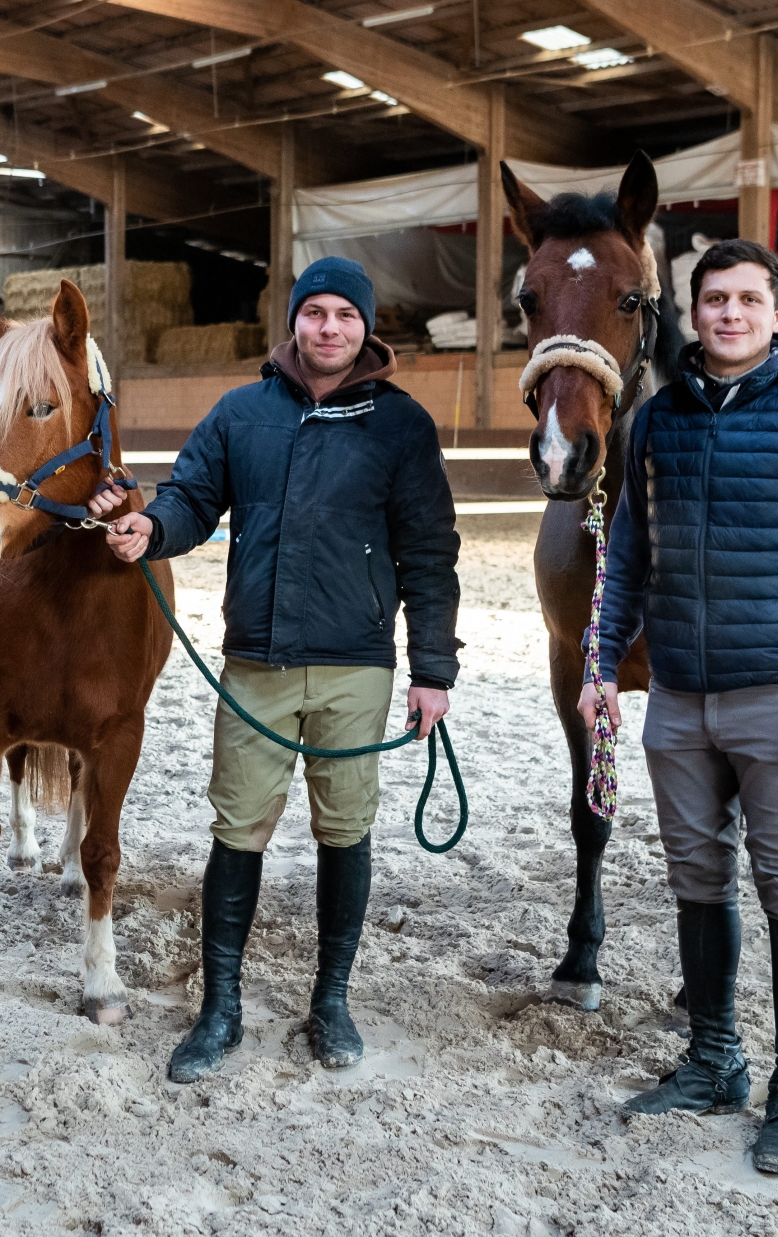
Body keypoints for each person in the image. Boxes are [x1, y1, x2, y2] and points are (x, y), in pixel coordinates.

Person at [94, 256, 461, 1083]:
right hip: (254, 662)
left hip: (355, 666)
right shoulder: (240, 413)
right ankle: (218, 1006)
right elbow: (190, 499)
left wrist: (431, 665)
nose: (328, 327)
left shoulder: (401, 427)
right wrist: (151, 528)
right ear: (292, 321)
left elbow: (431, 553)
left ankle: (329, 1000)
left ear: (367, 327)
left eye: (344, 314)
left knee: (345, 828)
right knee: (237, 829)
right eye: (315, 312)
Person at [583, 239, 778, 1174]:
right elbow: (627, 561)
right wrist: (602, 657)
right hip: (677, 696)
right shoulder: (656, 423)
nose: (727, 314)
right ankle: (713, 1056)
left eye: (746, 300)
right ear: (694, 309)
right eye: (713, 299)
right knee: (696, 880)